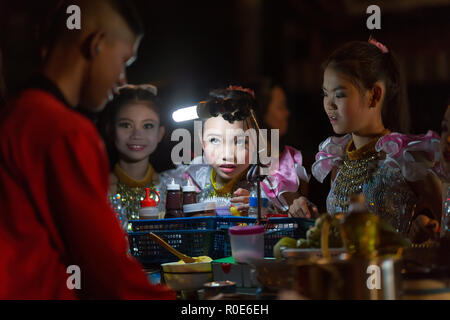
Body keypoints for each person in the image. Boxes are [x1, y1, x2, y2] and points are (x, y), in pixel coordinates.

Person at [0, 0, 175, 299]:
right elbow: (107, 272)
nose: (122, 79)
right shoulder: (65, 131)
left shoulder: (14, 114)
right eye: (124, 61)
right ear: (96, 44)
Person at [289, 37, 442, 243]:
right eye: (326, 94)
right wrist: (313, 219)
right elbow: (344, 236)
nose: (329, 105)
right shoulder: (338, 160)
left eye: (340, 94)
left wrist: (424, 232)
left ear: (374, 95)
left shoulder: (406, 158)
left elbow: (443, 224)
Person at [161, 86, 309, 215]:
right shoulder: (192, 179)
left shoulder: (269, 185)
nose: (227, 155)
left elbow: (293, 222)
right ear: (202, 140)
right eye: (215, 140)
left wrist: (263, 211)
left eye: (240, 142)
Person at [97, 84, 166, 221]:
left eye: (147, 126)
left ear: (160, 133)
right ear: (110, 130)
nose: (137, 135)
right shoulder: (97, 189)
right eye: (126, 125)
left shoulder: (172, 188)